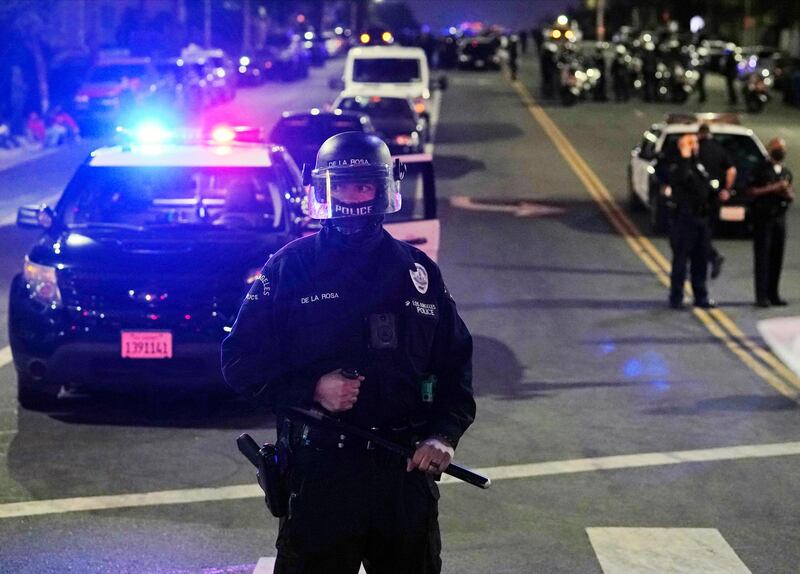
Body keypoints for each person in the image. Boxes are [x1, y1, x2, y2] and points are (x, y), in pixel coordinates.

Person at [221, 132, 476, 574]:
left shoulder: (418, 272)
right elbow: (239, 362)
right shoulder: (289, 268)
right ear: (322, 190)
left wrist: (442, 436)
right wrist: (313, 388)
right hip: (320, 478)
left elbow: (454, 367)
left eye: (363, 186)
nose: (350, 198)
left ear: (384, 189)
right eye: (339, 186)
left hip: (404, 476)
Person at [667, 134, 716, 309]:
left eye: (695, 143)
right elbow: (680, 178)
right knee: (681, 261)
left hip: (700, 219)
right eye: (691, 143)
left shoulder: (699, 165)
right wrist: (684, 156)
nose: (696, 146)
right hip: (684, 220)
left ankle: (701, 295)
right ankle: (676, 297)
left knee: (700, 260)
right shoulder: (679, 165)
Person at [748, 137, 794, 307]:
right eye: (778, 147)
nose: (781, 150)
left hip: (779, 218)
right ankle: (761, 296)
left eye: (783, 148)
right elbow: (752, 191)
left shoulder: (786, 172)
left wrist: (786, 192)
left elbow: (791, 195)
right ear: (770, 149)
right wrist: (774, 188)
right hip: (763, 218)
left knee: (777, 257)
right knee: (762, 257)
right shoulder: (760, 170)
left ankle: (773, 294)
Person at [696, 124, 736, 278]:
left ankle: (712, 257)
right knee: (706, 231)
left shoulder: (697, 150)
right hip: (715, 198)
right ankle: (710, 257)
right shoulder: (720, 149)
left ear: (700, 134)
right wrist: (726, 189)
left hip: (700, 198)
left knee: (699, 233)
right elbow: (732, 170)